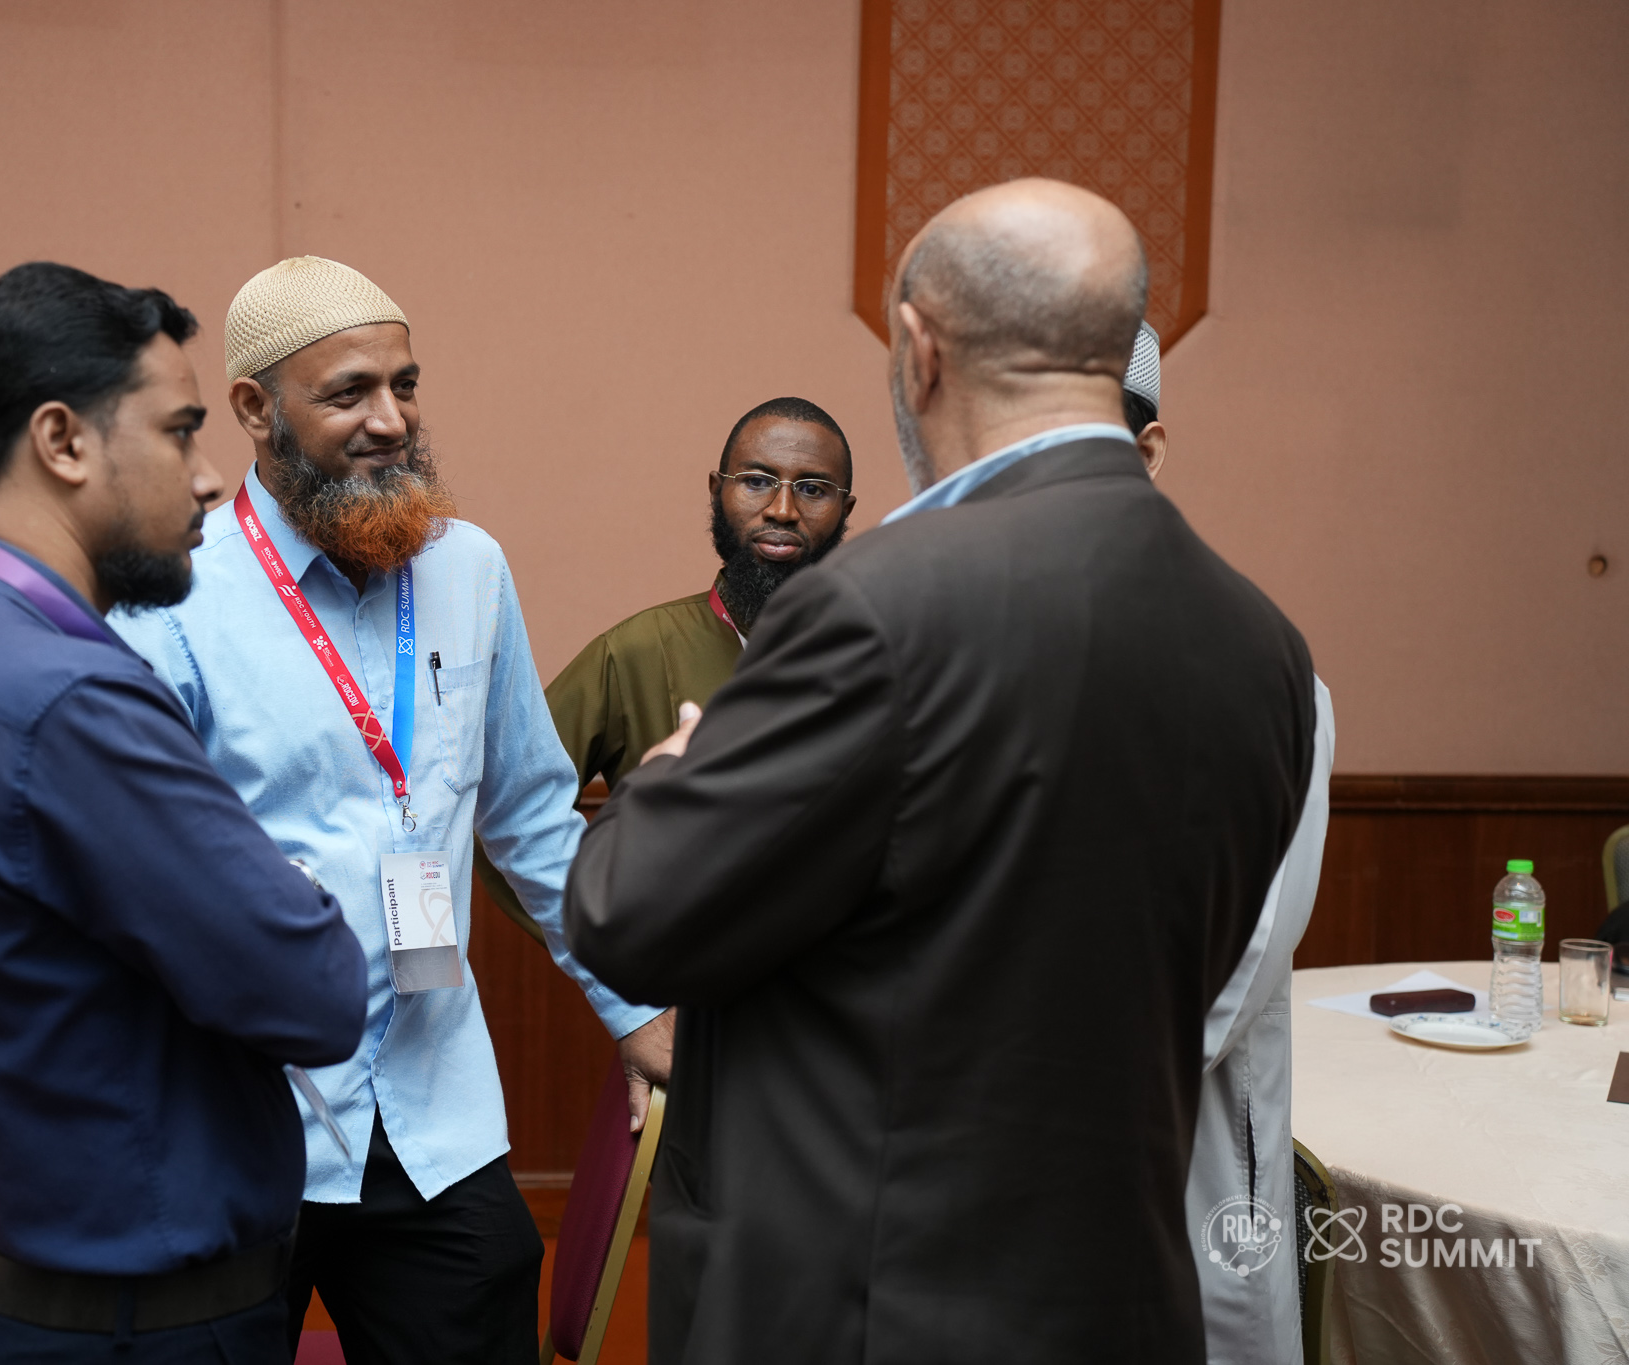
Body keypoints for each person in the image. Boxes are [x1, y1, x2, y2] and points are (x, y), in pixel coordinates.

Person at [566, 179, 1321, 1364]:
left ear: (918, 351)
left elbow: (625, 915)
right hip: (1114, 1297)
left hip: (865, 1306)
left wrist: (673, 768)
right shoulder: (1261, 645)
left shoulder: (873, 606)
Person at [106, 256, 671, 1365]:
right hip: (238, 1121)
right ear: (255, 409)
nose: (390, 420)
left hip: (430, 1115)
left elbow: (533, 816)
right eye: (348, 393)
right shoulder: (174, 599)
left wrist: (634, 1009)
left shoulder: (470, 570)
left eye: (404, 385)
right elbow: (132, 870)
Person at [0, 262, 366, 1364]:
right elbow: (318, 992)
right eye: (179, 432)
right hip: (131, 1332)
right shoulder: (71, 700)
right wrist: (294, 883)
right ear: (63, 441)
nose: (210, 480)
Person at [1117, 319, 1337, 1365]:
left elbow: (1238, 965)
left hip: (1184, 1156)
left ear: (1147, 451)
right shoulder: (967, 654)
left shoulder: (1260, 676)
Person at [474, 396, 856, 933]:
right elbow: (509, 813)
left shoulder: (884, 655)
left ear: (846, 510)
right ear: (716, 491)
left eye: (813, 489)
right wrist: (614, 961)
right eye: (756, 481)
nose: (783, 510)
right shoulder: (635, 652)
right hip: (693, 979)